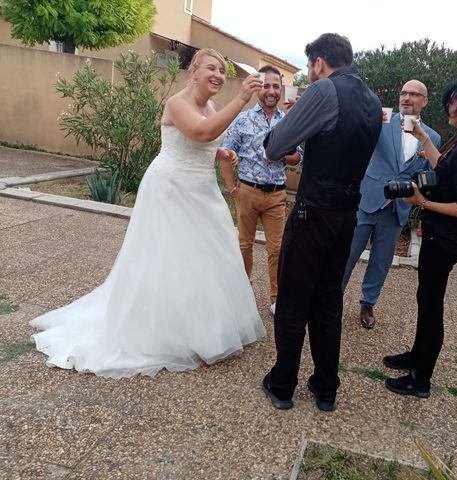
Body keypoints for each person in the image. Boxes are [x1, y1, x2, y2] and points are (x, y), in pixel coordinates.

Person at [30, 49, 266, 379]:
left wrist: (222, 153)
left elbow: (202, 143)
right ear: (193, 72)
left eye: (223, 71)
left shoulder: (210, 106)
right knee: (168, 258)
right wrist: (240, 99)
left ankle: (199, 327)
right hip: (171, 189)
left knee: (204, 258)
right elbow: (200, 132)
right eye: (211, 68)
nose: (219, 75)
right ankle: (163, 330)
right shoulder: (177, 103)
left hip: (201, 190)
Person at [260, 33, 382, 411]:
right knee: (328, 302)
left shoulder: (324, 90)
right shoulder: (373, 100)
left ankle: (282, 385)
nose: (311, 73)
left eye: (311, 66)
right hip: (348, 215)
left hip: (312, 214)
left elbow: (275, 146)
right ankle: (326, 387)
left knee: (294, 300)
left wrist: (296, 118)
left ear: (319, 62)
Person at [383, 79, 457, 398]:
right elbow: (443, 167)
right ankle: (416, 357)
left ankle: (420, 378)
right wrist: (423, 136)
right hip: (441, 236)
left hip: (445, 240)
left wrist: (422, 203)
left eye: (453, 102)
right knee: (426, 299)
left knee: (431, 305)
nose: (448, 105)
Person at [342, 80, 441, 329]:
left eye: (414, 94)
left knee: (381, 260)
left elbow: (433, 172)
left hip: (398, 207)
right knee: (346, 253)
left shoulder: (432, 137)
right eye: (404, 93)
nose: (407, 98)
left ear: (424, 101)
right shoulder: (381, 121)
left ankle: (368, 303)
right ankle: (332, 298)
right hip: (368, 199)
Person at [220, 65, 302, 316]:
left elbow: (298, 157)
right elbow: (225, 153)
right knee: (244, 245)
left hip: (276, 195)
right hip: (247, 191)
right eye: (266, 85)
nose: (271, 90)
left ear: (281, 89)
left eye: (275, 86)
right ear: (258, 88)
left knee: (277, 249)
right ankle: (243, 293)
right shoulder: (242, 118)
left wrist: (281, 154)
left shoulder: (289, 121)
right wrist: (233, 189)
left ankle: (277, 299)